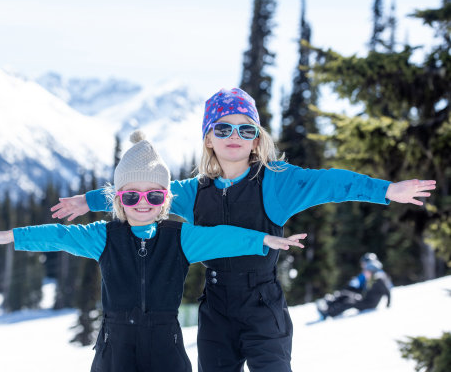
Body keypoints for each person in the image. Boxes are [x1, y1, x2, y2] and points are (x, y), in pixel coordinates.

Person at [50, 88, 437, 372]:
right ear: (209, 138)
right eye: (223, 128)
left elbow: (332, 182)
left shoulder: (277, 182)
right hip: (215, 306)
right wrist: (89, 201)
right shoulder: (191, 193)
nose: (234, 136)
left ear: (257, 138)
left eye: (245, 129)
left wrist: (386, 190)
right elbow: (144, 193)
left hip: (262, 304)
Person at [0, 130, 307, 372]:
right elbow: (59, 235)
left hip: (166, 348)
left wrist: (263, 240)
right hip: (114, 350)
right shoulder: (103, 236)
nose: (142, 204)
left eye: (154, 196)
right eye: (131, 196)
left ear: (166, 200)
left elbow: (220, 237)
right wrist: (12, 237)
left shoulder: (180, 237)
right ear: (118, 199)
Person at [316, 254, 393, 319]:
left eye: (367, 270)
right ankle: (329, 306)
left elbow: (387, 291)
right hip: (365, 300)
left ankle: (328, 313)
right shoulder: (373, 278)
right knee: (347, 295)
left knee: (349, 302)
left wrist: (388, 305)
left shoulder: (379, 279)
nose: (365, 272)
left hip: (369, 304)